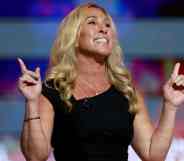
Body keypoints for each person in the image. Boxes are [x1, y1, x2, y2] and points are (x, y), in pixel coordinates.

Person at [17, 2, 184, 161]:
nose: (103, 29)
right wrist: (32, 101)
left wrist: (170, 105)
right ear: (74, 36)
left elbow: (152, 154)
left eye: (108, 25)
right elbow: (35, 156)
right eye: (92, 22)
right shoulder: (53, 91)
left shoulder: (126, 91)